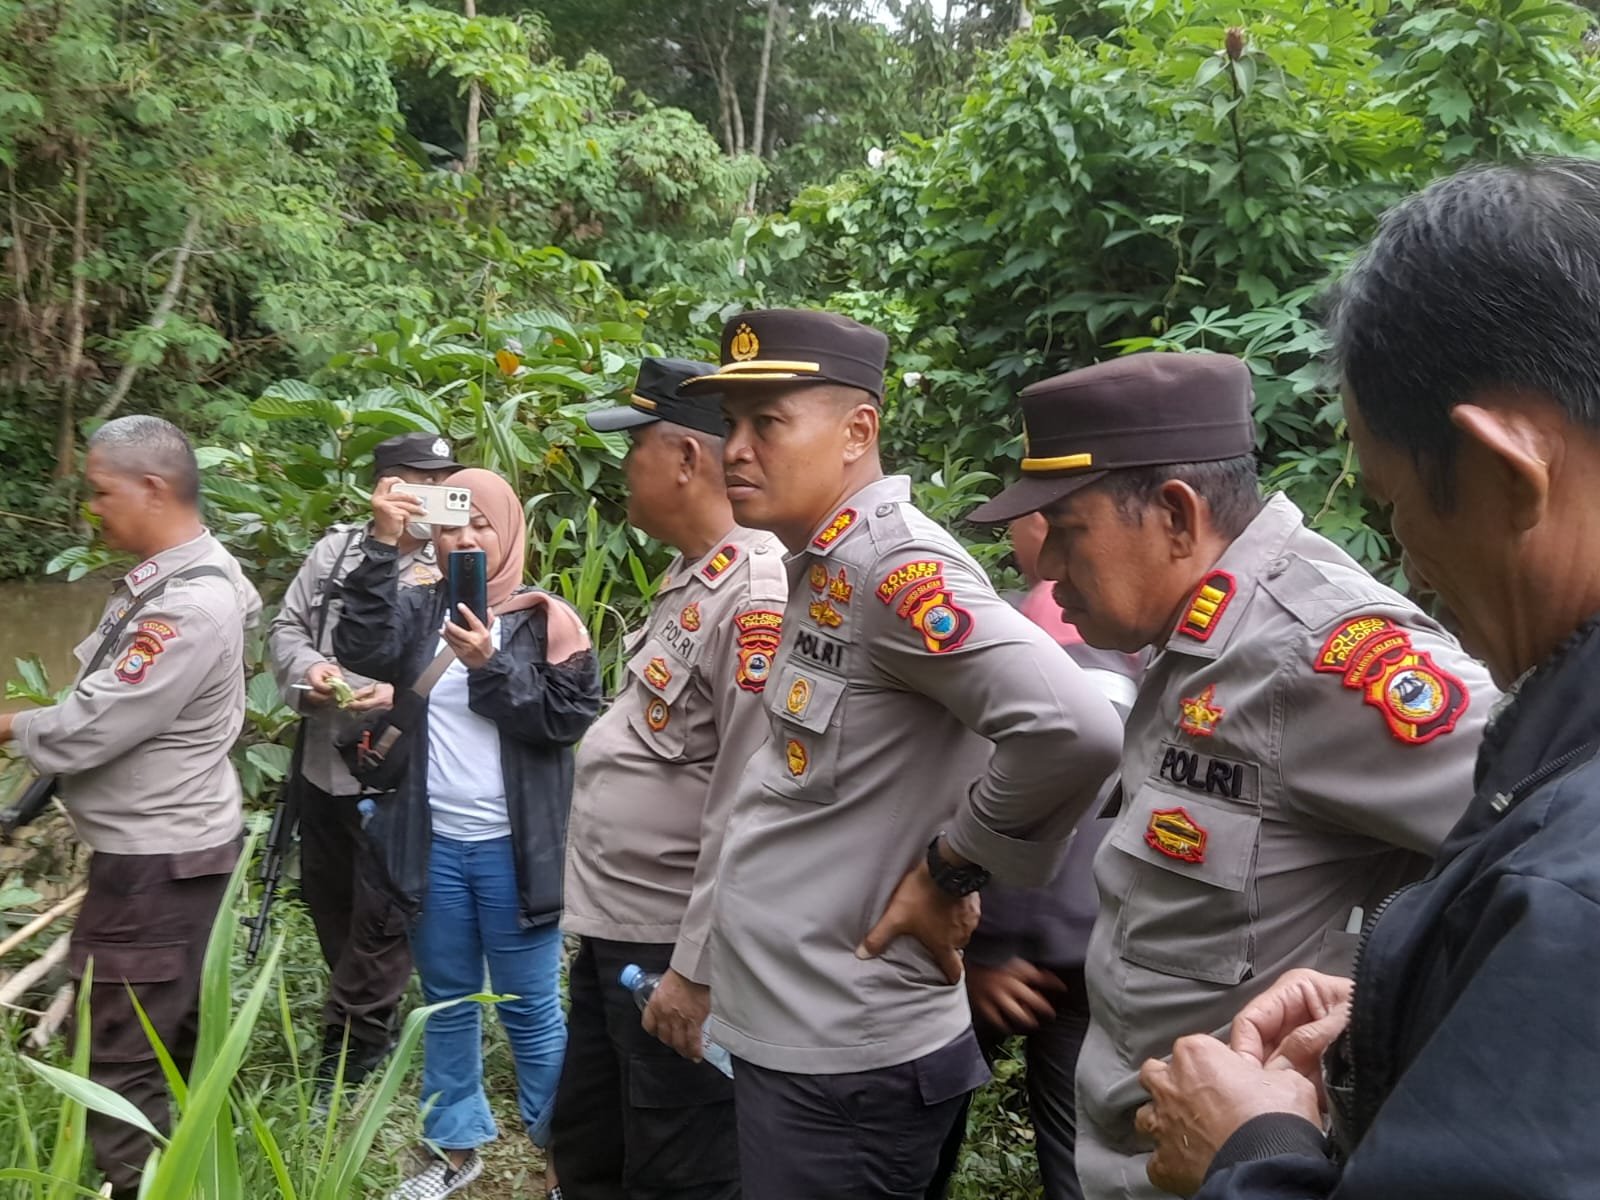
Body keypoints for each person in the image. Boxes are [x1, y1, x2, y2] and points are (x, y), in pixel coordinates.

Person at [1133, 157, 1600, 1200]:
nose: (1407, 565)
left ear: (1501, 472)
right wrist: (1427, 1003)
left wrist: (1251, 1156)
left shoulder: (1570, 889)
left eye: (1392, 500)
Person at [963, 351, 1497, 1200]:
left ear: (1177, 515)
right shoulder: (1193, 639)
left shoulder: (1313, 654)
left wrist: (1391, 1012)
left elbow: (1556, 838)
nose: (1048, 565)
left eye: (1067, 528)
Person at [679, 308, 1124, 1199]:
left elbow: (1075, 727)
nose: (736, 450)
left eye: (767, 422)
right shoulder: (823, 565)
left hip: (847, 1061)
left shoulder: (894, 570)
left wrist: (953, 867)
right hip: (805, 1034)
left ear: (858, 431)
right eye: (730, 424)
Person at [0, 415, 261, 1198]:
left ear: (152, 488)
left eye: (101, 492)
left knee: (117, 1062)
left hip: (156, 868)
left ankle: (138, 1184)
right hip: (166, 853)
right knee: (157, 1041)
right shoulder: (183, 577)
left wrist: (10, 725)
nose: (93, 510)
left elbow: (92, 724)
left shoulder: (188, 605)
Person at [550, 358, 788, 1200]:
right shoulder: (697, 573)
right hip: (623, 933)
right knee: (593, 1145)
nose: (624, 467)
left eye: (635, 446)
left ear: (687, 457)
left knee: (676, 1168)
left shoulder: (756, 591)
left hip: (673, 950)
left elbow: (753, 800)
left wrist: (697, 969)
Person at [333, 466, 602, 1200]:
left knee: (530, 1010)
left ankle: (565, 1162)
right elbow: (360, 646)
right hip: (435, 847)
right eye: (451, 525)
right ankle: (453, 1151)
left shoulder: (547, 621)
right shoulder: (420, 608)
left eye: (480, 524)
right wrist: (382, 545)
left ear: (508, 531)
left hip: (515, 855)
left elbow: (565, 721)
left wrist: (490, 665)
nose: (465, 539)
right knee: (448, 1003)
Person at [929, 512, 1142, 1200]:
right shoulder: (1133, 617)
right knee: (1078, 1152)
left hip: (1023, 941)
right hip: (1096, 938)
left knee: (922, 1134)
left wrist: (991, 946)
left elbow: (1061, 786)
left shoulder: (1055, 614)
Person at [266, 431, 461, 1092]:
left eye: (440, 482)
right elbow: (287, 628)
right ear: (381, 486)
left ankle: (355, 1043)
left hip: (402, 768)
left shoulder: (454, 557)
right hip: (325, 760)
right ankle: (366, 1008)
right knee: (330, 897)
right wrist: (311, 672)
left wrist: (400, 695)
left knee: (381, 909)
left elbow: (470, 656)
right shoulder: (335, 552)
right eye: (414, 481)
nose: (427, 495)